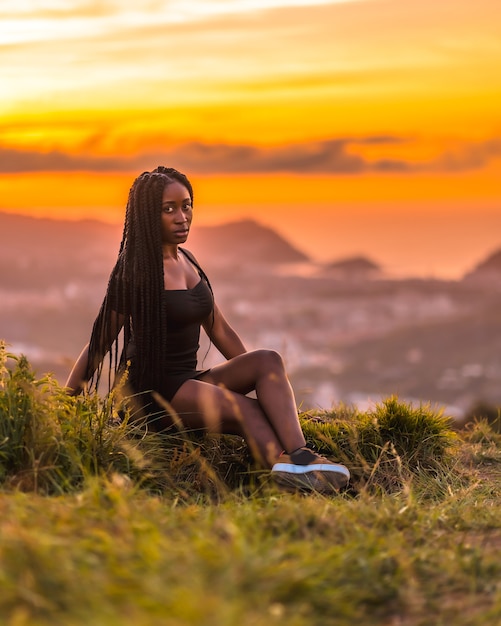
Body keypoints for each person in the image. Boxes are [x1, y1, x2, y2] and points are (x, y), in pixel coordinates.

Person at [65, 166, 350, 493]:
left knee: (268, 360)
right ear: (147, 215)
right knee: (246, 410)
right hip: (151, 394)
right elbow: (100, 342)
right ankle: (287, 471)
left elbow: (221, 331)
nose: (181, 216)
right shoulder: (135, 272)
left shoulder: (187, 260)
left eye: (186, 206)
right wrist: (66, 402)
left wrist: (260, 386)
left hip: (187, 380)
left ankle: (300, 459)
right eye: (168, 209)